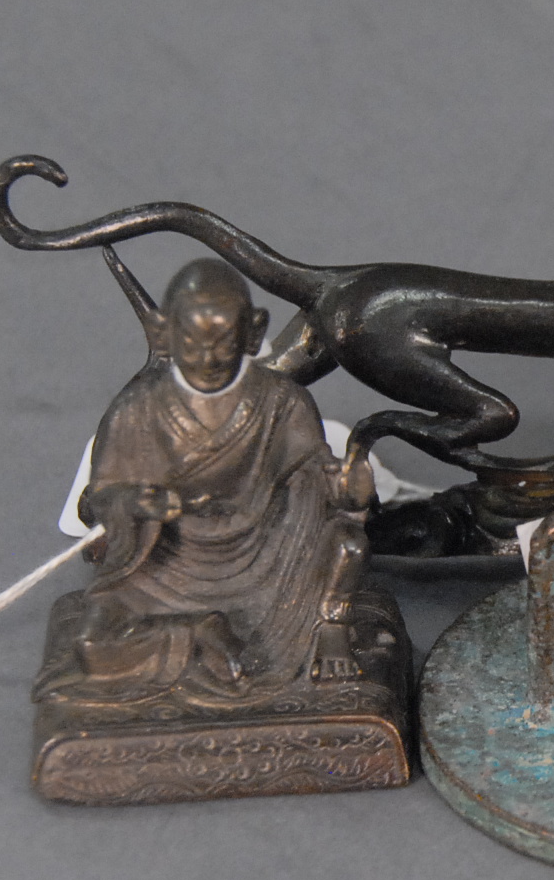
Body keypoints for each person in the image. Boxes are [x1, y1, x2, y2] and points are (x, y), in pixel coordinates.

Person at [38, 259, 373, 702]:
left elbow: (317, 480)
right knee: (91, 648)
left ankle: (319, 632)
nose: (209, 359)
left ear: (253, 332)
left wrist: (348, 486)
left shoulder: (282, 402)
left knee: (347, 543)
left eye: (223, 343)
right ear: (163, 334)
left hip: (264, 561)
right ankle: (196, 637)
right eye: (193, 344)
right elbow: (97, 499)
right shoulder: (137, 409)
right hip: (165, 565)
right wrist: (135, 503)